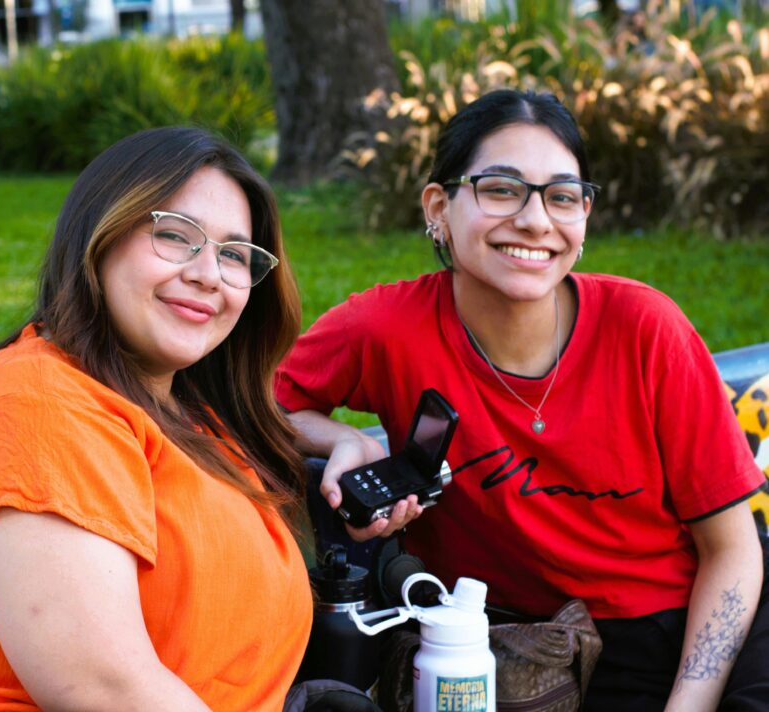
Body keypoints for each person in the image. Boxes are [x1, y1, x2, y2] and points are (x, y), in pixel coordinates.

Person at [274, 89, 768, 710]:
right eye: (502, 189)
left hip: (679, 624)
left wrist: (689, 705)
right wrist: (344, 437)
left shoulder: (646, 329)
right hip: (503, 645)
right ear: (439, 207)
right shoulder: (385, 328)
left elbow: (733, 549)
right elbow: (247, 405)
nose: (536, 220)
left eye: (562, 197)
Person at [0, 127, 313, 711]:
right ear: (98, 237)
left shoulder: (189, 418)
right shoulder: (38, 407)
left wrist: (342, 442)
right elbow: (102, 688)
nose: (208, 273)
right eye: (176, 236)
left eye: (233, 254)